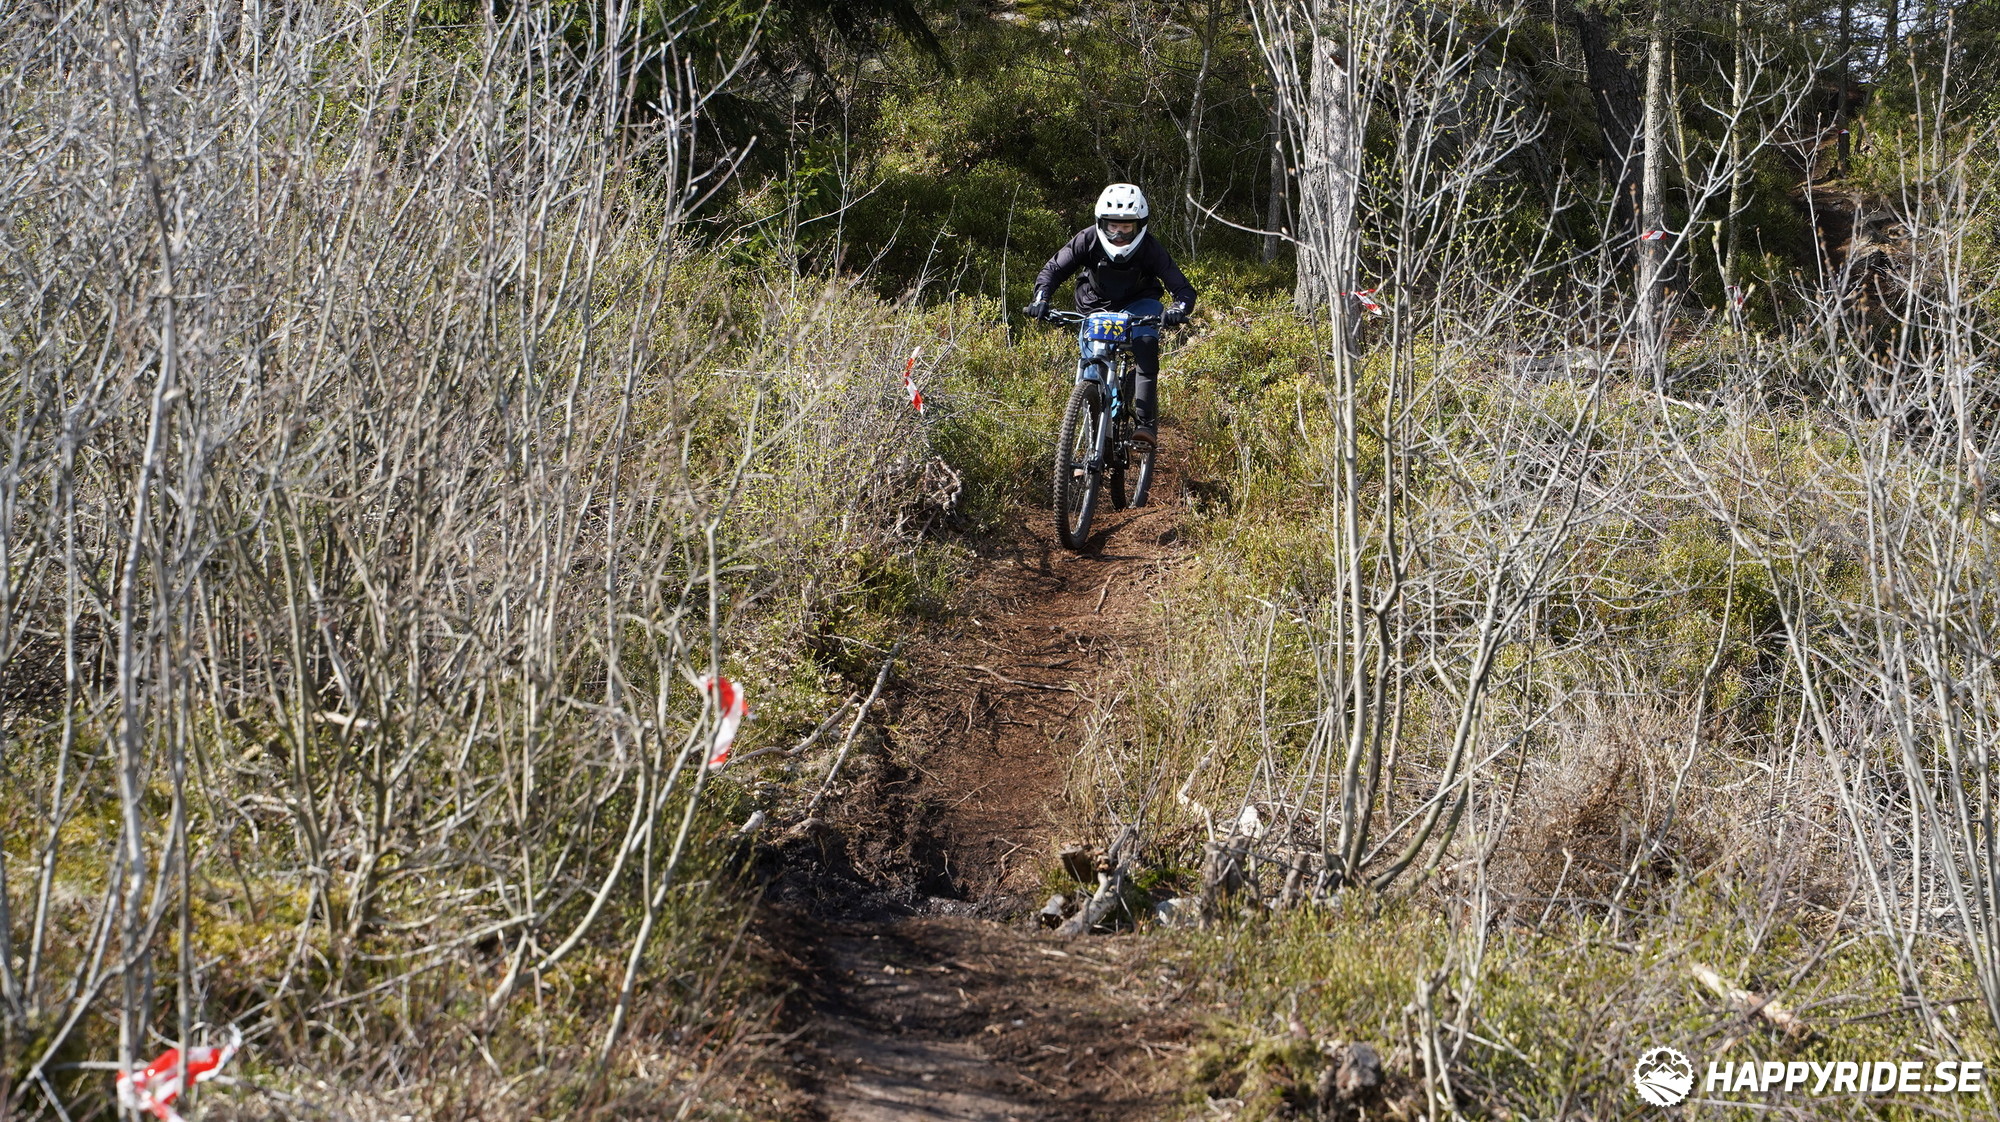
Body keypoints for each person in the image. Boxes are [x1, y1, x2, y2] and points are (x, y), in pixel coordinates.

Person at [1025, 183, 1195, 444]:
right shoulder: (1087, 239)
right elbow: (1054, 270)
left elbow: (1183, 289)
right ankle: (1094, 438)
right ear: (1101, 223)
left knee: (1146, 344)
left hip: (1140, 304)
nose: (1118, 234)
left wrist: (1177, 309)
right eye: (1112, 226)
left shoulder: (1150, 248)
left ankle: (1144, 424)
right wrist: (1041, 299)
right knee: (1092, 369)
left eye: (1126, 228)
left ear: (1139, 226)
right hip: (1094, 305)